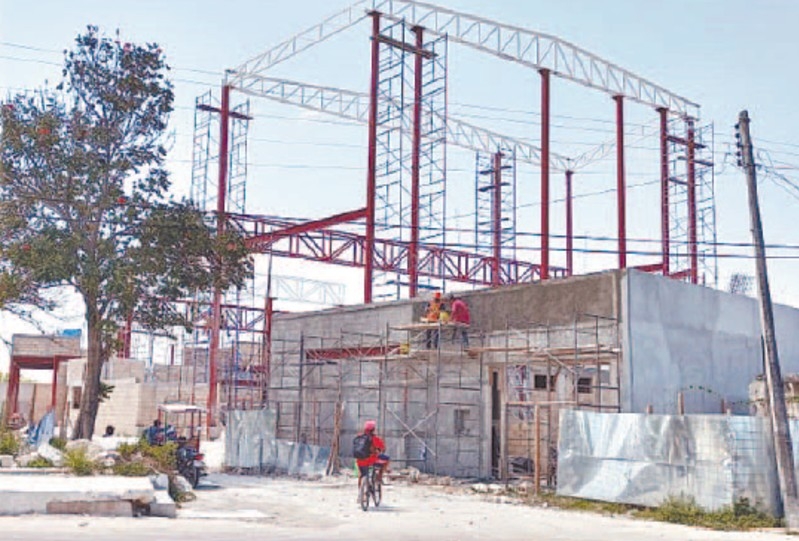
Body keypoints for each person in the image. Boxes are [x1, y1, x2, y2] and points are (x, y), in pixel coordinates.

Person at [355, 420, 390, 489]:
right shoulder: (375, 439)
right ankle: (380, 477)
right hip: (371, 460)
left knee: (362, 475)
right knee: (386, 458)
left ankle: (360, 493)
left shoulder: (359, 438)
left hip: (360, 461)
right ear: (373, 429)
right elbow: (382, 448)